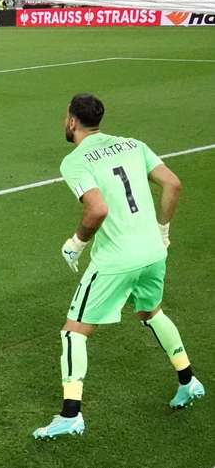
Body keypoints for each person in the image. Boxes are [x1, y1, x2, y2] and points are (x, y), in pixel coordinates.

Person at [33, 94, 205, 439]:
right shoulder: (132, 144)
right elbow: (173, 183)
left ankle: (71, 416)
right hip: (153, 251)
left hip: (117, 259)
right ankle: (189, 381)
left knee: (73, 331)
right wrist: (163, 230)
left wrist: (77, 243)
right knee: (151, 313)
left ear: (71, 121)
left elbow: (96, 210)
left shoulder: (76, 160)